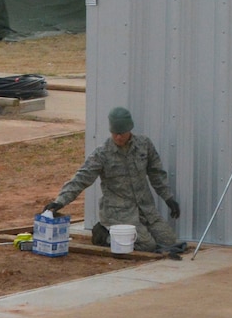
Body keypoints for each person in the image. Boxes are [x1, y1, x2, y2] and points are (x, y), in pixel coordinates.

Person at [45, 106, 183, 257]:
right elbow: (81, 179)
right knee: (146, 245)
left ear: (130, 129)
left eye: (122, 133)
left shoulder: (144, 145)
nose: (118, 137)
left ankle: (138, 231)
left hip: (145, 209)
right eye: (114, 133)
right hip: (118, 213)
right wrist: (60, 201)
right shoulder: (102, 154)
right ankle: (104, 234)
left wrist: (168, 198)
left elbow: (157, 174)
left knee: (170, 241)